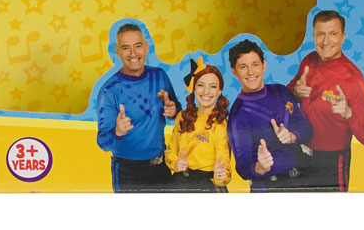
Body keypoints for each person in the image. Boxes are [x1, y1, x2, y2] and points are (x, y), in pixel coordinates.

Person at [287, 10, 364, 191]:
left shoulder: (354, 81)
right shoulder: (309, 60)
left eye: (333, 34)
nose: (326, 41)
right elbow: (287, 97)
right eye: (320, 34)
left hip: (331, 162)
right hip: (300, 154)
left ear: (343, 37)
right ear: (313, 36)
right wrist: (295, 92)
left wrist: (349, 114)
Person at [96, 23, 179, 192]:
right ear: (117, 51)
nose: (133, 53)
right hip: (127, 173)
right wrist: (117, 132)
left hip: (160, 167)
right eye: (126, 48)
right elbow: (102, 142)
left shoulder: (160, 76)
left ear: (146, 47)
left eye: (138, 46)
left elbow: (177, 112)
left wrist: (174, 111)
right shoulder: (109, 91)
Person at [227, 39, 313, 191]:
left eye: (255, 64)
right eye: (243, 67)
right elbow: (242, 167)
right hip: (270, 187)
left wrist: (293, 136)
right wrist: (260, 167)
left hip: (303, 180)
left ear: (264, 65)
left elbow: (306, 128)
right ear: (234, 71)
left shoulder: (281, 91)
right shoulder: (238, 116)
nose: (251, 72)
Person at [165, 57, 231, 192]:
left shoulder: (221, 124)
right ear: (194, 88)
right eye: (201, 85)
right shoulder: (182, 116)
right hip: (179, 182)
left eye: (213, 87)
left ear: (219, 91)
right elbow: (170, 153)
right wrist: (176, 163)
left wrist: (221, 175)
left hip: (208, 185)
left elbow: (225, 170)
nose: (206, 92)